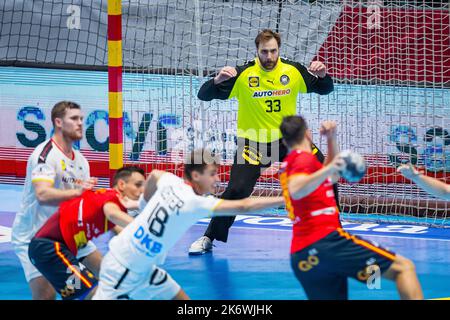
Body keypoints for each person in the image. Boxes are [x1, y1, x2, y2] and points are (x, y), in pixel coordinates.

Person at [189, 28, 337, 254]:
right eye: (264, 52)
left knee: (326, 171)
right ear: (257, 51)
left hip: (289, 141)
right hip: (253, 143)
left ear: (279, 50)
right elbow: (204, 95)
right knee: (237, 189)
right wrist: (217, 79)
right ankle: (209, 237)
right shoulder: (243, 74)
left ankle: (334, 231)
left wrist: (324, 75)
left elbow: (325, 90)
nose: (269, 57)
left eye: (273, 51)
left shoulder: (293, 70)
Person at [92, 149, 285, 300]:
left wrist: (143, 203)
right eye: (212, 174)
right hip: (124, 266)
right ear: (195, 175)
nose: (218, 179)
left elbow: (155, 176)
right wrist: (285, 197)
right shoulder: (195, 203)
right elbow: (244, 206)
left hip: (144, 267)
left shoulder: (170, 181)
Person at [279, 115, 423, 300]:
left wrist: (331, 139)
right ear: (308, 133)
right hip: (329, 244)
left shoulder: (295, 163)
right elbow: (297, 190)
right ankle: (373, 284)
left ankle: (372, 283)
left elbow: (332, 177)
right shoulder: (303, 160)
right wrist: (329, 169)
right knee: (403, 269)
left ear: (284, 141)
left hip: (304, 256)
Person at [11, 101, 100, 300]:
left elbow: (81, 202)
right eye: (74, 119)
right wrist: (78, 193)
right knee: (46, 295)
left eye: (81, 119)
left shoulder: (81, 161)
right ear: (58, 122)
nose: (80, 124)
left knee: (111, 274)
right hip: (36, 238)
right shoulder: (45, 155)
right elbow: (43, 195)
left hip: (70, 234)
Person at [28, 166, 145, 300]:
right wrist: (145, 227)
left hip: (61, 249)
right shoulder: (112, 199)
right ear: (122, 184)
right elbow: (112, 213)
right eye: (138, 185)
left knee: (103, 288)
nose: (141, 190)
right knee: (95, 294)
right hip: (49, 248)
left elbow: (122, 231)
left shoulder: (105, 198)